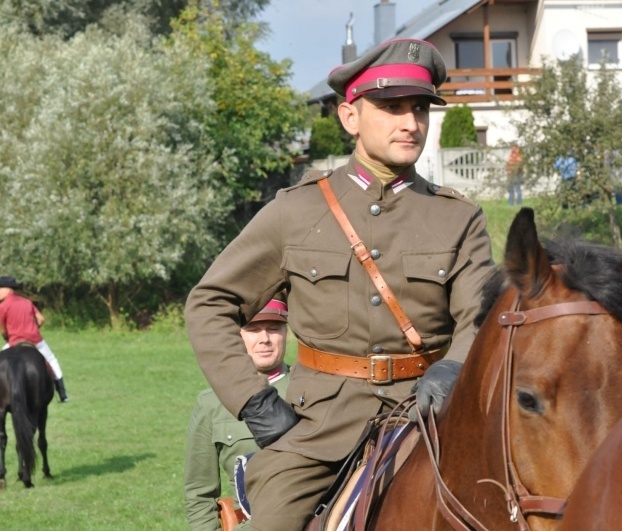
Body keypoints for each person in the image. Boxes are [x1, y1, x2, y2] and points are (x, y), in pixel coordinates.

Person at [185, 38, 495, 531]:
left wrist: (453, 366)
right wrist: (256, 402)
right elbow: (209, 303)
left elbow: (479, 314)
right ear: (350, 117)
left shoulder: (459, 218)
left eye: (419, 108)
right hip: (319, 428)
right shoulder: (295, 211)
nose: (410, 123)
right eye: (391, 108)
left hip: (431, 414)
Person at [184, 298, 290, 531]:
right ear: (237, 334)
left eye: (274, 328)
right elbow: (200, 493)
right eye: (253, 329)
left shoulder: (310, 389)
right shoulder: (212, 402)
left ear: (286, 332)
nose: (264, 339)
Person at [0, 276, 69, 402]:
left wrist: (7, 337)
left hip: (14, 341)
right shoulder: (27, 302)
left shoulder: (3, 307)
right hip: (35, 340)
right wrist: (32, 329)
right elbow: (41, 319)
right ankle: (62, 393)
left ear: (8, 289)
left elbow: (3, 330)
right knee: (52, 360)